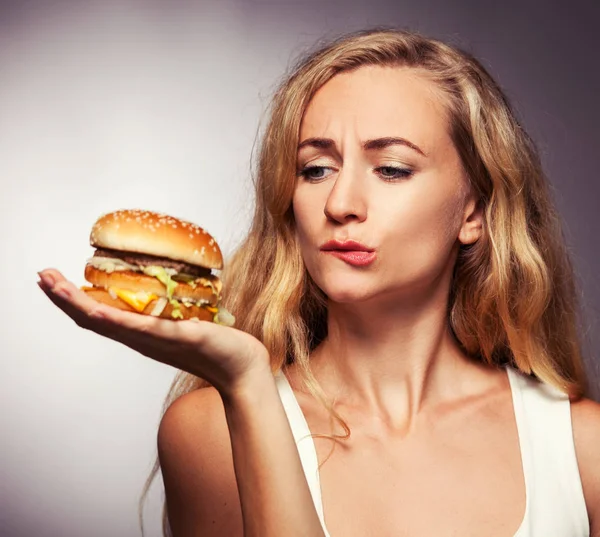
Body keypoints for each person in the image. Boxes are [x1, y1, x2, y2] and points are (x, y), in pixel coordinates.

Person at [37, 28, 599, 537]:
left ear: (473, 210)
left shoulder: (583, 450)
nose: (340, 203)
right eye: (316, 169)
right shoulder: (210, 433)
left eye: (392, 169)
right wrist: (248, 384)